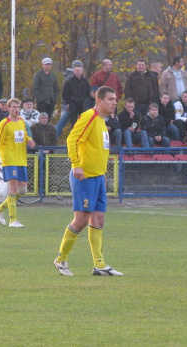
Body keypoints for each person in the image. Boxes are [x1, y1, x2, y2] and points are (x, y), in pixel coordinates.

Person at [53, 86, 123, 276]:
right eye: (110, 99)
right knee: (81, 219)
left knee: (98, 219)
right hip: (84, 177)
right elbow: (72, 139)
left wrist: (102, 174)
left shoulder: (101, 121)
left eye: (115, 99)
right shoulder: (90, 116)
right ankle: (60, 260)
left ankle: (99, 265)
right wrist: (76, 164)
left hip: (97, 177)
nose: (114, 102)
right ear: (99, 101)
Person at [0, 98, 35, 228]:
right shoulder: (4, 124)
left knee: (22, 190)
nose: (16, 109)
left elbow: (24, 135)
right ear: (8, 109)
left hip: (21, 158)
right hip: (9, 159)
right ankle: (13, 220)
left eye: (18, 107)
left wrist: (29, 140)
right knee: (13, 188)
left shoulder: (21, 121)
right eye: (14, 107)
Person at [58, 64, 90, 136]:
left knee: (83, 122)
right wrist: (70, 103)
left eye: (80, 70)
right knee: (73, 123)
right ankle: (73, 137)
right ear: (73, 71)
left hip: (83, 105)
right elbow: (65, 94)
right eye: (76, 70)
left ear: (82, 71)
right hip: (73, 105)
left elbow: (88, 94)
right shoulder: (69, 82)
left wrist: (86, 103)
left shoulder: (85, 82)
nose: (78, 72)